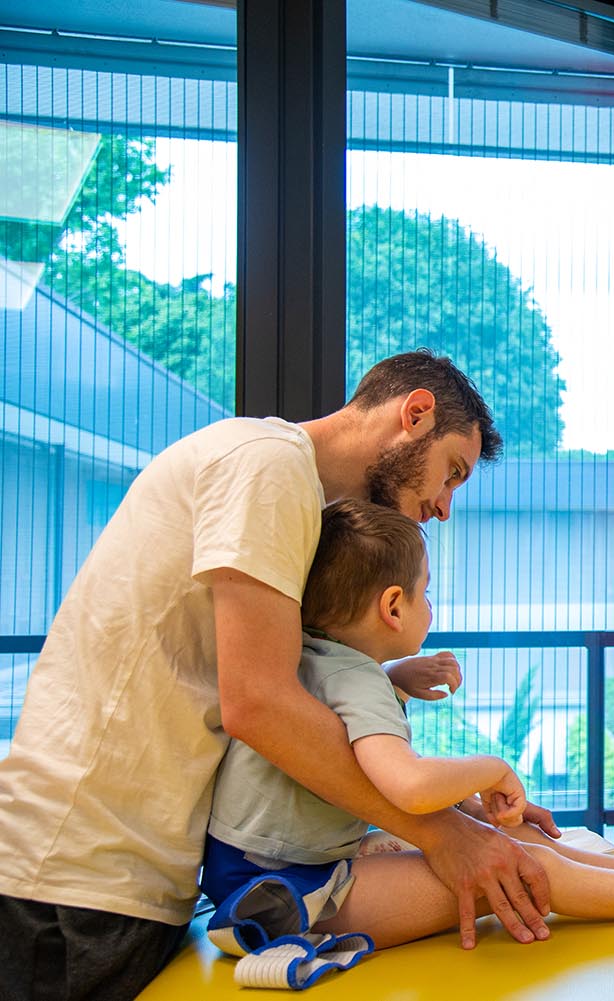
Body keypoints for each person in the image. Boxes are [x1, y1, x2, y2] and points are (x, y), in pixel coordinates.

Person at [0, 351, 557, 1001]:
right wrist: (446, 835)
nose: (444, 506)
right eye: (452, 471)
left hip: (123, 876)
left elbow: (314, 717)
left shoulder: (295, 502)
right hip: (74, 879)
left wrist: (458, 805)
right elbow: (261, 705)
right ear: (415, 413)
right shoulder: (268, 466)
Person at [203, 499, 614, 956]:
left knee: (513, 840)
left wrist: (396, 677)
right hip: (287, 894)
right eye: (426, 592)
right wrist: (494, 768)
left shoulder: (304, 656)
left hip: (249, 869)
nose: (430, 604)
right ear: (393, 607)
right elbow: (408, 786)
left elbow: (340, 716)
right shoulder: (360, 683)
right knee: (525, 867)